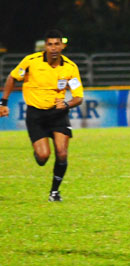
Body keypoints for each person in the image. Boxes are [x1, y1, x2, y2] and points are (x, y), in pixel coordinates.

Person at [0, 29, 84, 202]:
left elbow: (79, 97)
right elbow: (12, 78)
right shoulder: (31, 62)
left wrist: (67, 103)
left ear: (62, 46)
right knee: (43, 157)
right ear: (45, 46)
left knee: (62, 153)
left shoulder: (70, 67)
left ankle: (54, 192)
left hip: (58, 114)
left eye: (56, 44)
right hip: (36, 115)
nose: (53, 48)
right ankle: (38, 153)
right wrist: (3, 103)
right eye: (50, 44)